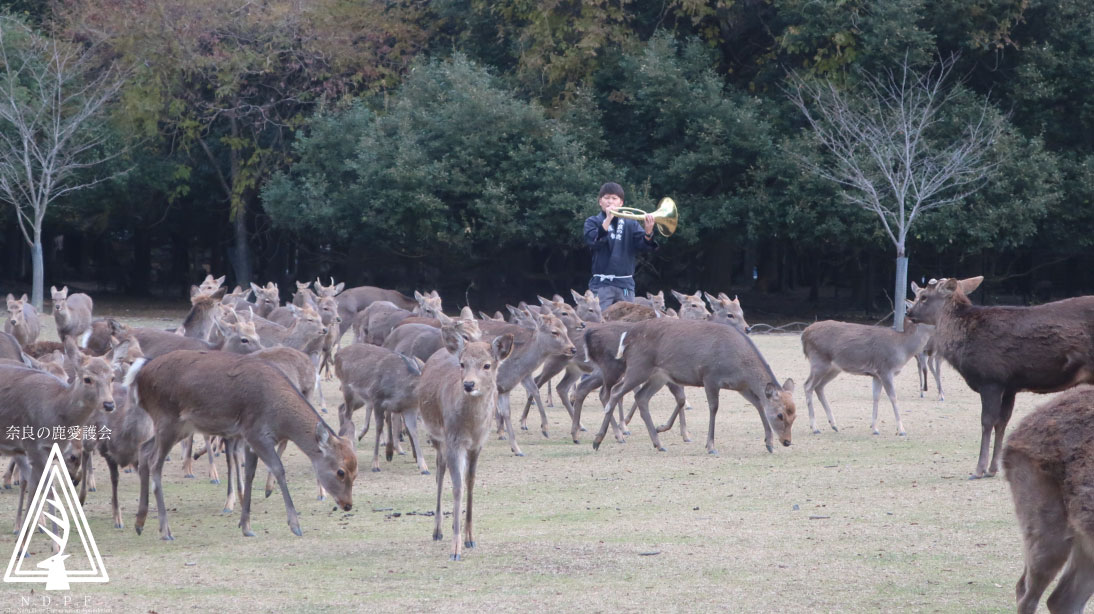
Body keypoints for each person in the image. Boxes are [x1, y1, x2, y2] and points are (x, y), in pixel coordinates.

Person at [583, 182, 657, 311]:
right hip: (601, 284)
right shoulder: (592, 221)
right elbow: (594, 242)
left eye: (614, 198)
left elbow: (644, 247)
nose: (610, 201)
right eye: (606, 198)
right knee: (600, 319)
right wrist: (608, 219)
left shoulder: (631, 223)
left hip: (625, 285)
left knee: (627, 321)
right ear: (600, 201)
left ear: (621, 203)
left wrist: (648, 232)